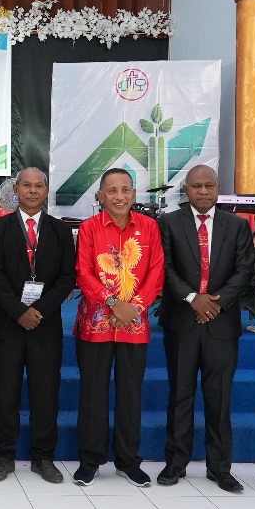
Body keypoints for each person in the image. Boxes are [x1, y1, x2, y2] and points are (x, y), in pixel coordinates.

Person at [157, 165, 255, 492]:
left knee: (219, 398)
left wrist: (215, 303)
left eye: (209, 185)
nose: (203, 191)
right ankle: (176, 462)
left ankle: (220, 468)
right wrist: (192, 299)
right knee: (180, 395)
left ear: (217, 189)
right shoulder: (169, 223)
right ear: (186, 190)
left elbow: (244, 270)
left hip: (221, 323)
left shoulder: (237, 225)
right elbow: (165, 267)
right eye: (196, 186)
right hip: (182, 321)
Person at [73, 168, 165, 488]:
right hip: (96, 324)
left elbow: (156, 273)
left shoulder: (150, 228)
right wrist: (113, 303)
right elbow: (83, 273)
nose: (119, 196)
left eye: (125, 190)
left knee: (130, 394)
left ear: (134, 194)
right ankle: (90, 460)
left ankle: (128, 461)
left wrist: (133, 308)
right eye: (112, 191)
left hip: (134, 325)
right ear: (100, 196)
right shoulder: (89, 228)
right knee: (93, 393)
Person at [0, 167, 76, 484]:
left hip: (45, 326)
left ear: (46, 191)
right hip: (8, 325)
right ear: (16, 190)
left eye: (39, 186)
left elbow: (67, 278)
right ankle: (3, 456)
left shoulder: (60, 231)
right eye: (26, 185)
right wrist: (19, 311)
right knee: (5, 393)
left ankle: (43, 457)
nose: (33, 191)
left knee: (45, 393)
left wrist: (39, 310)